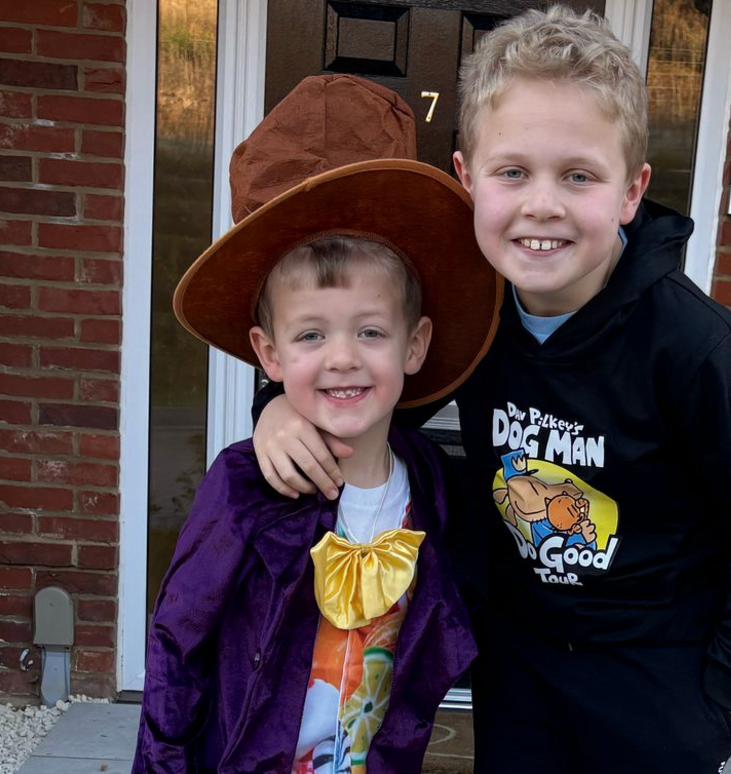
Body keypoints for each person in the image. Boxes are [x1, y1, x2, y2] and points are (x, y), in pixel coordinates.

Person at [252, 7, 731, 773]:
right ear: (465, 178)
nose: (540, 204)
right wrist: (279, 406)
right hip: (520, 663)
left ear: (630, 191)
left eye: (577, 176)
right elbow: (362, 393)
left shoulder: (697, 349)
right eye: (512, 172)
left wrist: (730, 686)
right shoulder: (470, 316)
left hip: (657, 677)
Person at [131, 74, 502, 774]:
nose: (341, 360)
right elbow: (176, 652)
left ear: (414, 344)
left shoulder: (433, 487)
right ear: (267, 354)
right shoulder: (241, 487)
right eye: (309, 338)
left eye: (369, 331)